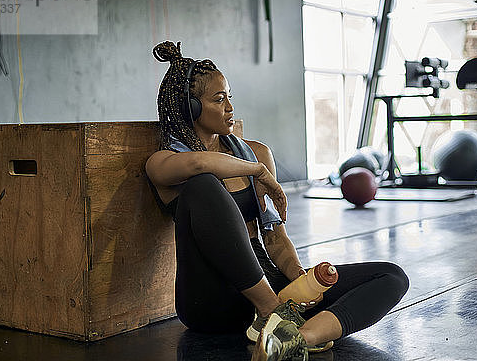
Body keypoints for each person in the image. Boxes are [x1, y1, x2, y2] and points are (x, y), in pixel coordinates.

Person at [145, 41, 409, 361]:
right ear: (192, 108)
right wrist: (258, 173)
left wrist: (299, 278)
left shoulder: (257, 152)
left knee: (391, 276)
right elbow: (199, 164)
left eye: (230, 96)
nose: (230, 107)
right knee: (204, 185)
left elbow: (275, 236)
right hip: (210, 302)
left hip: (270, 283)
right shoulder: (163, 162)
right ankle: (272, 313)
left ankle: (294, 337)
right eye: (218, 99)